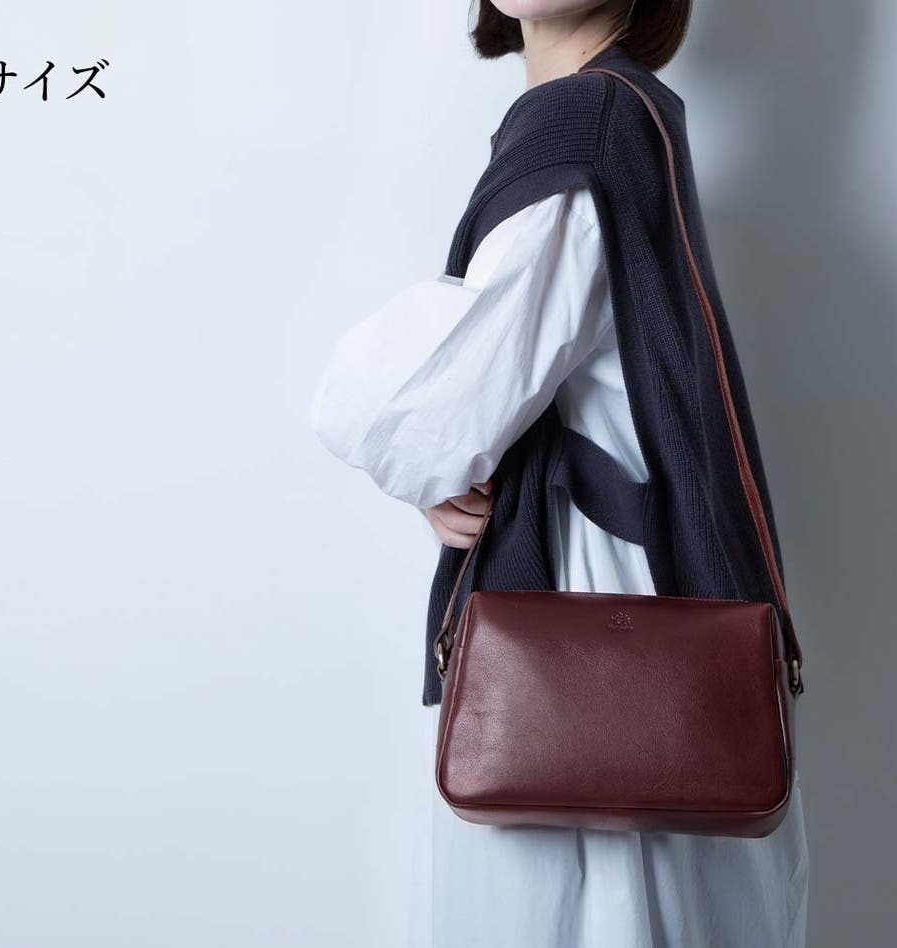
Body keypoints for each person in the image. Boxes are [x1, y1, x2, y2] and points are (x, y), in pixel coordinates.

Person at [311, 1, 809, 944]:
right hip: (632, 634)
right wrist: (452, 452)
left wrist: (433, 454)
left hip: (582, 641)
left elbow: (425, 412)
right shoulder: (628, 112)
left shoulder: (588, 120)